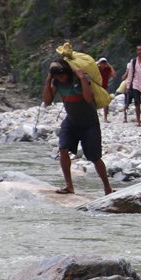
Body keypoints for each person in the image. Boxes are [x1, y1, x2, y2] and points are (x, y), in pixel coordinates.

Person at [42, 59, 113, 196]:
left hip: (89, 123)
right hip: (71, 121)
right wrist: (48, 80)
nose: (60, 78)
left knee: (95, 157)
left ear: (67, 72)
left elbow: (88, 98)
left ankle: (107, 188)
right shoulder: (56, 82)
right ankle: (69, 186)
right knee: (63, 149)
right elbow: (47, 101)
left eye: (62, 75)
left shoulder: (80, 79)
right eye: (57, 76)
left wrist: (82, 78)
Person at [96, 57, 115, 123]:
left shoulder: (108, 69)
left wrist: (110, 66)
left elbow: (114, 75)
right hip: (97, 86)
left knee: (106, 102)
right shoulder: (97, 68)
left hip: (104, 87)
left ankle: (105, 118)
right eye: (102, 63)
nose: (103, 64)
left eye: (104, 63)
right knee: (94, 102)